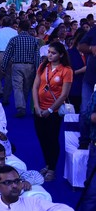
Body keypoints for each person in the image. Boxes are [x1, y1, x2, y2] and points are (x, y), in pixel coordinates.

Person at [32, 41, 72, 182]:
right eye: (49, 52)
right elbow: (35, 87)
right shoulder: (43, 66)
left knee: (52, 139)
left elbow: (64, 95)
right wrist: (36, 106)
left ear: (61, 55)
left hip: (54, 112)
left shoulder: (66, 70)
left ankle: (52, 169)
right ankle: (48, 163)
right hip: (39, 109)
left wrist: (50, 109)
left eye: (53, 53)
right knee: (42, 137)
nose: (49, 55)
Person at [0, 20, 40, 117]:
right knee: (26, 88)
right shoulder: (34, 40)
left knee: (17, 87)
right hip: (30, 66)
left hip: (17, 65)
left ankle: (20, 107)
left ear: (19, 28)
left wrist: (3, 66)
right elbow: (37, 56)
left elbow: (7, 54)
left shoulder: (14, 39)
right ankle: (23, 105)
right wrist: (38, 69)